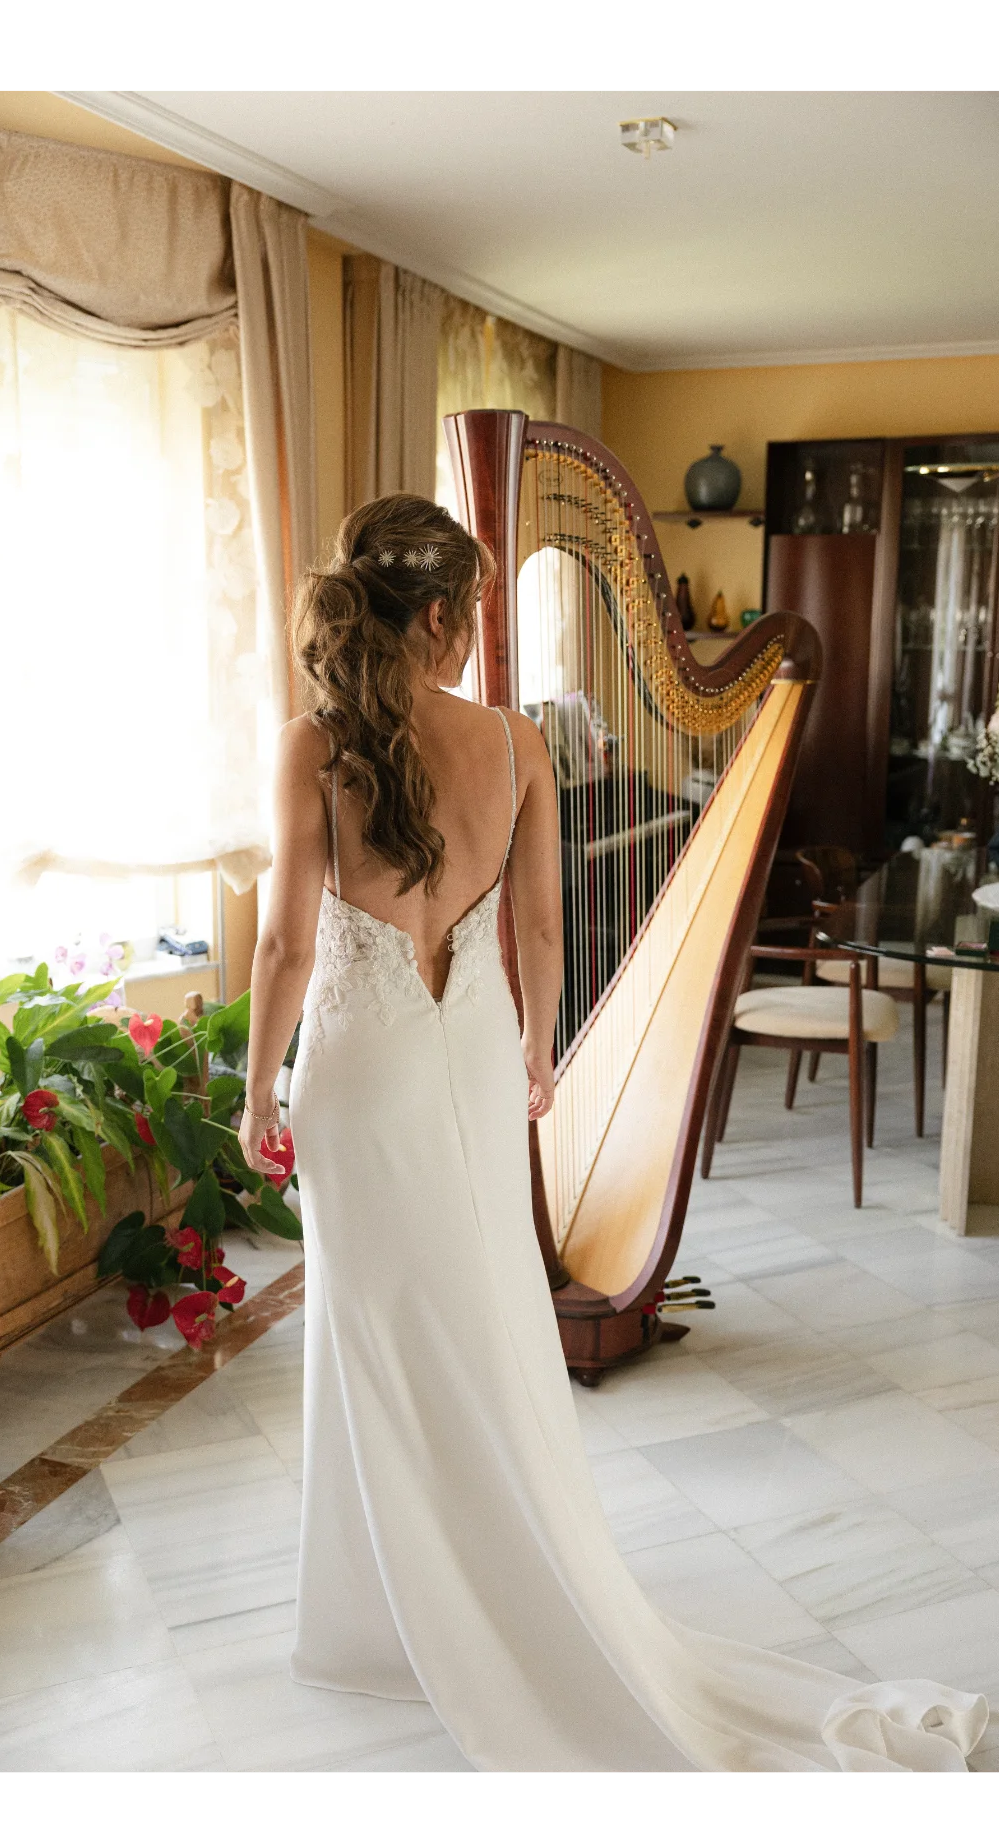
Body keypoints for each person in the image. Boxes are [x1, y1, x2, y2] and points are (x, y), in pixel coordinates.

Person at [239, 492, 985, 1776]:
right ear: (436, 616)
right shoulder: (515, 743)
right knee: (477, 1311)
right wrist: (533, 1052)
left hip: (357, 1075)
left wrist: (256, 1092)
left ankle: (386, 1622)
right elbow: (538, 934)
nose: (472, 635)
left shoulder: (309, 747)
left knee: (370, 1331)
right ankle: (499, 1575)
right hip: (469, 1061)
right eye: (468, 612)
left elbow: (289, 945)